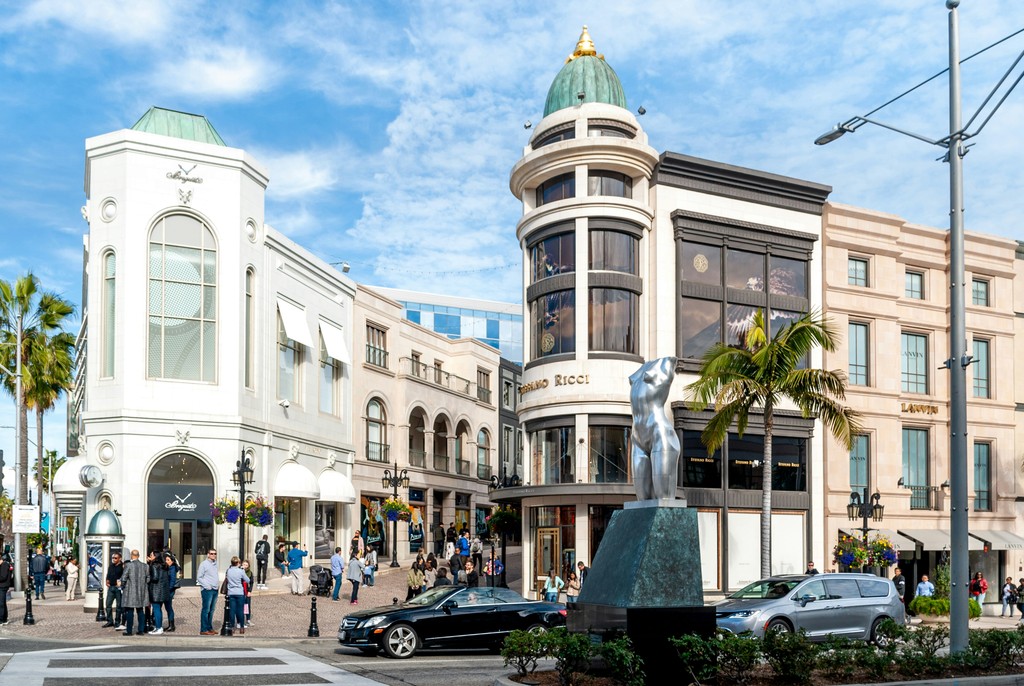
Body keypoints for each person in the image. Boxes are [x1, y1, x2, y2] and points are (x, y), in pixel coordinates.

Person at [120, 549, 148, 636]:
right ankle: (141, 630)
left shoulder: (128, 565)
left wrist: (122, 585)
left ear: (132, 556)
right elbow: (148, 578)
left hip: (130, 591)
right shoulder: (145, 566)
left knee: (130, 611)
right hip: (141, 591)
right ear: (138, 556)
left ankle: (129, 631)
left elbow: (124, 578)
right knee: (140, 610)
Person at [197, 548, 220, 635]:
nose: (213, 555)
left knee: (212, 610)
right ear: (208, 554)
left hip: (215, 589)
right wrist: (207, 586)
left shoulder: (215, 563)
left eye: (215, 554)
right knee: (206, 609)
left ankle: (209, 628)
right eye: (211, 553)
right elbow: (199, 577)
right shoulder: (204, 564)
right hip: (207, 590)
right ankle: (203, 629)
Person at [147, 551, 169, 634]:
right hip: (163, 590)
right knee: (158, 609)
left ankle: (158, 627)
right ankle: (159, 627)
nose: (150, 556)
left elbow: (155, 578)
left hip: (156, 590)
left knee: (156, 609)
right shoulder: (164, 565)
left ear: (155, 556)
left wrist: (148, 579)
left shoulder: (154, 565)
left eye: (151, 555)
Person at [225, 556, 247, 635]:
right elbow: (247, 580)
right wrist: (243, 571)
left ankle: (232, 627)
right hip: (239, 592)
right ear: (238, 563)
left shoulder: (228, 570)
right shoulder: (240, 571)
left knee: (232, 611)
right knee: (240, 610)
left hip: (231, 592)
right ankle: (241, 627)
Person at [103, 552, 124, 629]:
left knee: (119, 606)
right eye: (113, 558)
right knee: (108, 604)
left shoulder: (122, 566)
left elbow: (124, 576)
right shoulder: (111, 566)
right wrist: (107, 580)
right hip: (111, 587)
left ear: (119, 559)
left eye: (115, 558)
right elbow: (108, 574)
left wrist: (121, 584)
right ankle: (110, 621)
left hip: (118, 588)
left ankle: (117, 621)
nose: (114, 559)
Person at [164, 552, 178, 632]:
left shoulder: (172, 568)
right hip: (168, 589)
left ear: (172, 561)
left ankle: (171, 625)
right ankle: (170, 625)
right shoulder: (168, 568)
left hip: (170, 590)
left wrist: (169, 589)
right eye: (166, 560)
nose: (166, 561)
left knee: (169, 607)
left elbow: (172, 580)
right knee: (168, 607)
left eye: (168, 560)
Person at [0, 554, 13, 625]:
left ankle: (1, 619)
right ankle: (4, 618)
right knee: (3, 602)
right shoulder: (4, 565)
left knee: (1, 603)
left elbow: (3, 577)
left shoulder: (4, 565)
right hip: (3, 585)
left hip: (2, 586)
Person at [241, 559, 254, 627]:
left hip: (247, 590)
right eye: (244, 565)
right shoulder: (239, 571)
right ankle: (241, 621)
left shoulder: (250, 573)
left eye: (246, 565)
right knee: (241, 606)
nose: (245, 566)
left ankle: (248, 620)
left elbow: (251, 582)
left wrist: (249, 591)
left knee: (247, 605)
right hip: (240, 591)